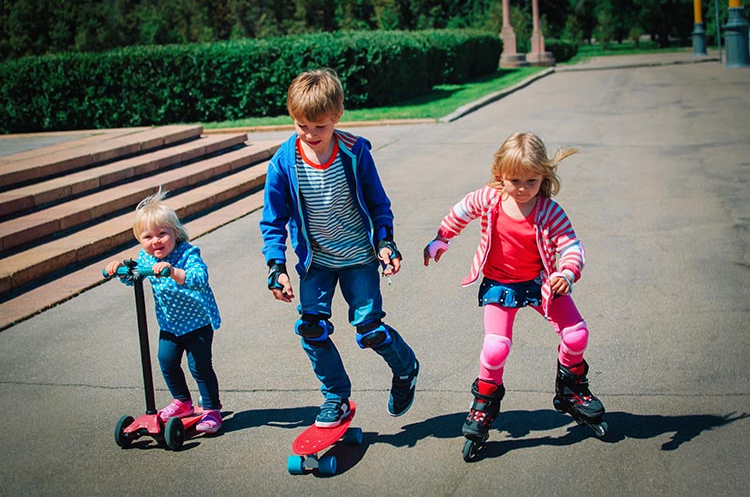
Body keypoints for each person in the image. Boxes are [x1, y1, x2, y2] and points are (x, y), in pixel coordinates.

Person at [260, 68, 419, 428]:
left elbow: (379, 205)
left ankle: (406, 368)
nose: (311, 134)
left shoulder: (354, 153)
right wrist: (276, 266)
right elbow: (272, 221)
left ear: (337, 116)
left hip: (359, 258)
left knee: (370, 329)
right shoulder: (284, 163)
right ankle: (336, 397)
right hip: (316, 261)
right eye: (302, 126)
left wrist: (386, 242)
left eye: (320, 126)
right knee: (311, 328)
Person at [423, 132, 605, 443]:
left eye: (531, 181)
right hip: (500, 283)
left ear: (543, 177)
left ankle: (571, 385)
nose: (522, 188)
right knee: (495, 348)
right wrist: (442, 238)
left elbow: (571, 246)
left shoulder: (549, 211)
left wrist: (567, 271)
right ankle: (484, 402)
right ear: (500, 175)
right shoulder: (490, 198)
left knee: (577, 334)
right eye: (514, 180)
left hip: (541, 282)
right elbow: (461, 211)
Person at [104, 188, 223, 434]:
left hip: (197, 321)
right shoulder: (145, 258)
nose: (156, 241)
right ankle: (182, 401)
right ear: (139, 240)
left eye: (162, 234)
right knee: (166, 361)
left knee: (199, 366)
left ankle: (212, 409)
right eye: (148, 237)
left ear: (175, 232)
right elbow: (132, 277)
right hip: (169, 324)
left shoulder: (187, 253)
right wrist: (118, 270)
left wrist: (175, 272)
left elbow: (200, 278)